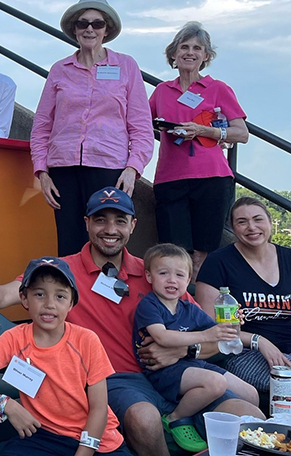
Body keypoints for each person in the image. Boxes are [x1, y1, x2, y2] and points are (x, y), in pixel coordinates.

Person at [0, 186, 263, 456]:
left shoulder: (155, 271)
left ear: (133, 225)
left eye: (120, 221)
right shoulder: (62, 273)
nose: (110, 229)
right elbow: (6, 293)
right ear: (87, 223)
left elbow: (208, 331)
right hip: (116, 379)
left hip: (173, 373)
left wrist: (182, 352)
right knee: (144, 418)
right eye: (101, 220)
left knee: (250, 413)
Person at [0, 256, 131, 456]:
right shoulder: (14, 338)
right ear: (24, 299)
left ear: (71, 303)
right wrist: (8, 405)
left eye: (60, 296)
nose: (49, 304)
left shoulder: (87, 340)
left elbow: (99, 409)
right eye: (39, 294)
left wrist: (84, 452)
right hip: (44, 435)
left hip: (94, 440)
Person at [30, 0, 153, 257]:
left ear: (106, 30)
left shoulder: (126, 66)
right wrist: (42, 171)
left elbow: (141, 126)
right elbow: (42, 125)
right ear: (74, 29)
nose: (89, 29)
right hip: (63, 169)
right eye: (82, 23)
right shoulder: (59, 70)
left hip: (109, 168)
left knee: (107, 241)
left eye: (97, 24)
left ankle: (106, 285)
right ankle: (73, 285)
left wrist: (133, 168)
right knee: (69, 243)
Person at [149, 22, 249, 283]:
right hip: (170, 178)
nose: (190, 52)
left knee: (203, 254)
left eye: (197, 48)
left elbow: (242, 133)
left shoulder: (218, 89)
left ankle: (200, 302)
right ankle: (180, 302)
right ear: (173, 54)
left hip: (212, 178)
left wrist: (205, 131)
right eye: (184, 47)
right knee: (174, 253)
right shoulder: (162, 91)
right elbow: (142, 125)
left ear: (206, 56)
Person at [133, 243, 258, 452]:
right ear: (149, 276)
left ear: (188, 280)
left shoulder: (189, 308)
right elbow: (161, 337)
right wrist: (205, 335)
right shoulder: (149, 305)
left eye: (180, 275)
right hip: (163, 371)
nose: (172, 280)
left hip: (192, 365)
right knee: (216, 383)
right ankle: (175, 418)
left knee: (250, 394)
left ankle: (238, 445)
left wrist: (233, 323)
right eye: (163, 273)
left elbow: (217, 332)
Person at [197, 197, 291, 393]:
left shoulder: (288, 258)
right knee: (284, 383)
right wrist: (259, 341)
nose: (251, 227)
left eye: (258, 219)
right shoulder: (218, 262)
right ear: (233, 227)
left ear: (269, 221)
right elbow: (210, 325)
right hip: (245, 353)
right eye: (242, 222)